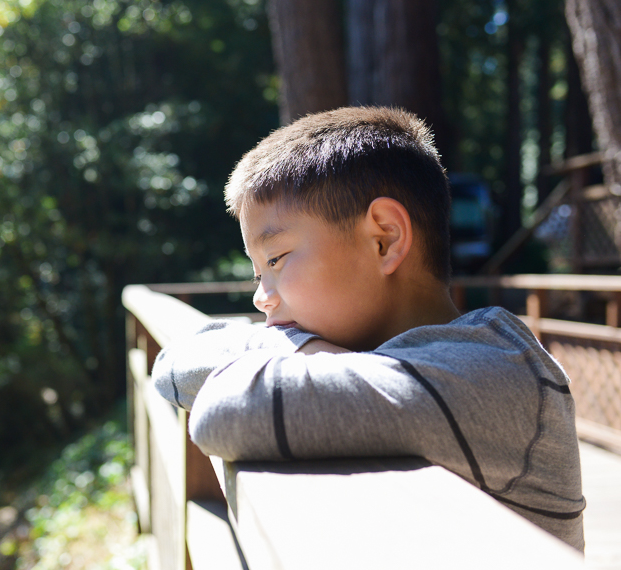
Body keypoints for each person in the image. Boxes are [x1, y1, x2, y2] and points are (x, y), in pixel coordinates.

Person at [152, 107, 585, 551]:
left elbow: (225, 409)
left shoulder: (498, 374)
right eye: (257, 273)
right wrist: (311, 350)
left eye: (276, 260)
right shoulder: (395, 362)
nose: (261, 297)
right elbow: (171, 364)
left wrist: (298, 350)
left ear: (386, 238)